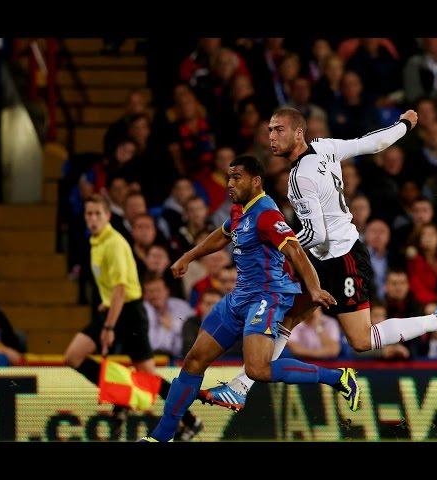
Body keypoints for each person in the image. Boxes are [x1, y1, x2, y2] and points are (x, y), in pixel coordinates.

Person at [200, 107, 437, 413]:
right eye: (270, 130)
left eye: (279, 130)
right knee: (287, 318)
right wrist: (402, 126)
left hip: (343, 258)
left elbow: (316, 232)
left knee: (361, 340)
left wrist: (281, 247)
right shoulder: (324, 147)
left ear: (299, 133)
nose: (271, 137)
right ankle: (240, 387)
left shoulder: (301, 177)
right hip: (322, 259)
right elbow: (369, 144)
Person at [141, 155, 354, 443]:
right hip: (239, 297)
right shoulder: (241, 209)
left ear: (256, 181)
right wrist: (188, 256)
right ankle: (161, 437)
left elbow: (295, 251)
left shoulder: (267, 214)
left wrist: (313, 288)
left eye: (236, 177)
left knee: (258, 369)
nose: (229, 183)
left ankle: (338, 377)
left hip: (266, 297)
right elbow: (223, 234)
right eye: (228, 177)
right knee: (193, 362)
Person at [63, 194, 203, 441]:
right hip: (114, 309)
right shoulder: (96, 242)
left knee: (148, 377)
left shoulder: (114, 243)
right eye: (89, 214)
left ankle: (190, 420)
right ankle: (123, 397)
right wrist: (105, 305)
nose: (93, 219)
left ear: (108, 216)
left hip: (128, 313)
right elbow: (113, 287)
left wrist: (108, 325)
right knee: (73, 356)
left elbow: (120, 288)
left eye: (98, 214)